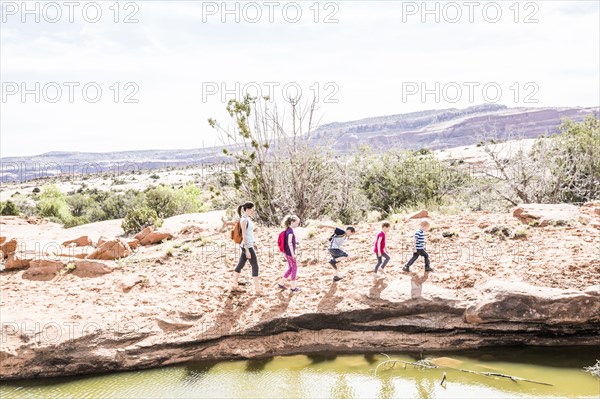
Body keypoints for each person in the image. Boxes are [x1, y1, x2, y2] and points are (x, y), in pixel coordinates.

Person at [230, 202, 262, 295]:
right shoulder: (244, 220)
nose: (253, 211)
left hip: (249, 244)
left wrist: (254, 242)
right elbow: (244, 235)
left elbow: (249, 234)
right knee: (255, 266)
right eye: (252, 209)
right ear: (247, 209)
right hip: (246, 245)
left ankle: (234, 285)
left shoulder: (248, 219)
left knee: (241, 264)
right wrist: (247, 250)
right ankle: (258, 291)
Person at [278, 215, 300, 292]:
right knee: (294, 268)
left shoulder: (287, 229)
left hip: (286, 252)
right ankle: (293, 287)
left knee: (291, 268)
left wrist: (296, 242)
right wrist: (293, 253)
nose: (297, 225)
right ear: (292, 222)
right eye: (297, 223)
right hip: (290, 253)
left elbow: (289, 241)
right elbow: (289, 242)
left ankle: (281, 282)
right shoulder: (290, 231)